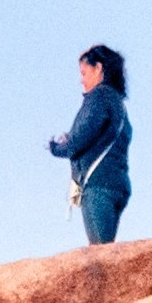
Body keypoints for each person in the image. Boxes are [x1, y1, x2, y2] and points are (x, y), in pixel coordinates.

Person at [47, 46, 132, 244]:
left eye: (84, 72)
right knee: (106, 248)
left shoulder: (99, 97)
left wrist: (55, 147)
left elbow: (78, 140)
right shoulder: (118, 103)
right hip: (116, 183)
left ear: (98, 69)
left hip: (98, 185)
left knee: (101, 253)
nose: (81, 79)